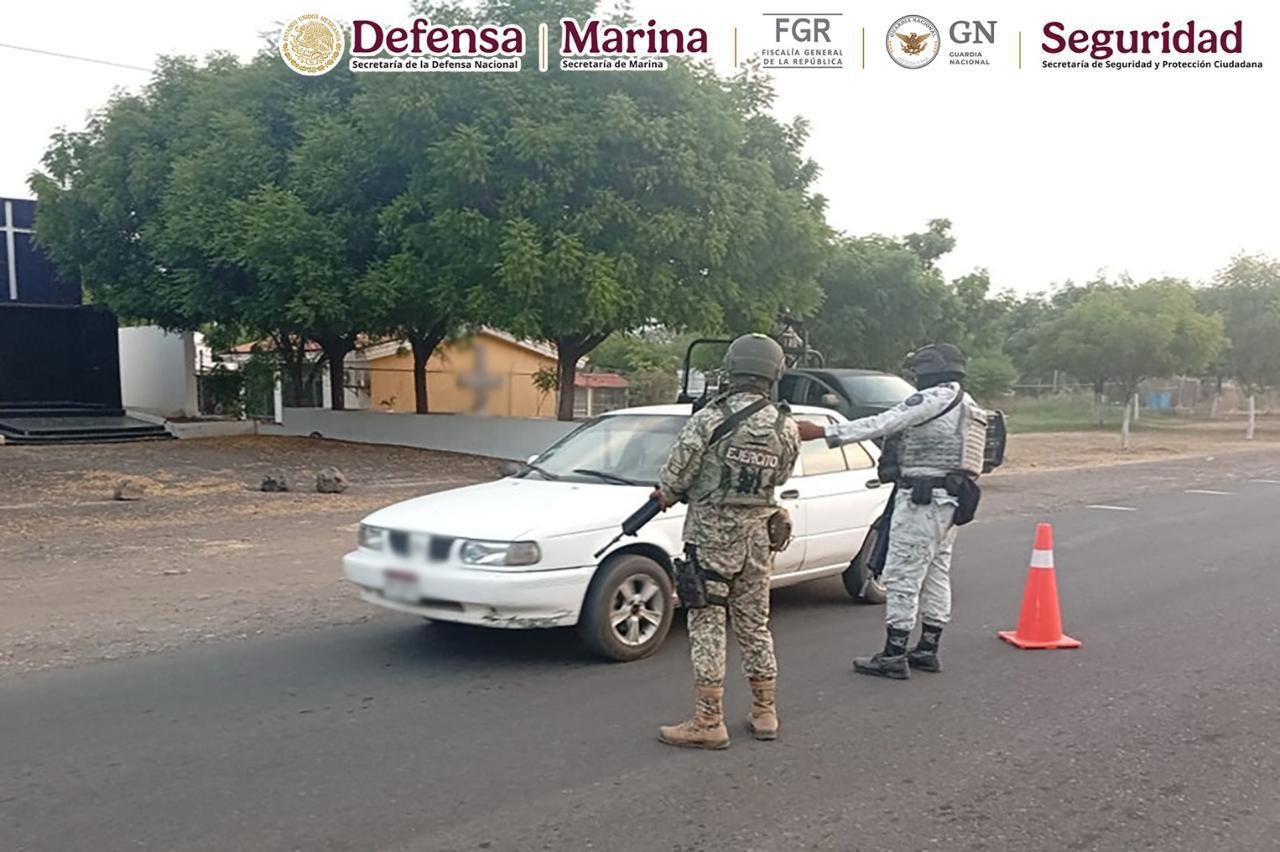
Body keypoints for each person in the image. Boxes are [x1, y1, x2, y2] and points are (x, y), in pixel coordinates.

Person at [795, 343, 987, 679]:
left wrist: (824, 432)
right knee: (936, 573)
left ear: (930, 370)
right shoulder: (968, 404)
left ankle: (894, 655)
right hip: (950, 501)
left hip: (922, 501)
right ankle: (927, 648)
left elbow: (885, 422)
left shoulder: (933, 398)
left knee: (902, 576)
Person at [654, 334, 801, 749]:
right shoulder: (785, 425)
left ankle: (708, 721)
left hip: (712, 538)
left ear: (732, 369)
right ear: (774, 373)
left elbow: (676, 476)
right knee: (755, 624)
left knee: (708, 620)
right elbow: (781, 476)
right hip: (759, 538)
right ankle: (764, 712)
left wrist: (668, 493)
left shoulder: (709, 419)